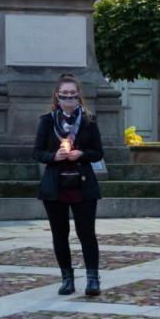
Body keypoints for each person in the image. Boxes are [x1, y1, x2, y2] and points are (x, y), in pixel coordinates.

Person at [33, 73, 105, 297]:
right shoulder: (47, 121)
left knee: (87, 233)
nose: (69, 100)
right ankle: (67, 278)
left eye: (73, 96)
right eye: (65, 96)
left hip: (82, 183)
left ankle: (93, 278)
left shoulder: (88, 120)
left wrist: (81, 153)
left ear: (79, 97)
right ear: (57, 97)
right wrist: (55, 156)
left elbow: (98, 152)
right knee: (59, 233)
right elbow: (37, 152)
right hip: (56, 184)